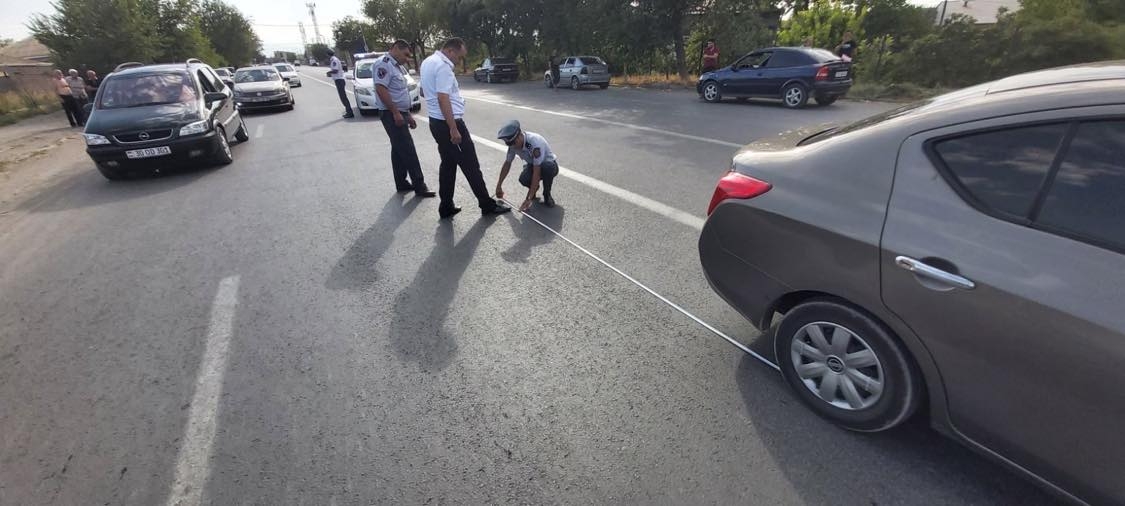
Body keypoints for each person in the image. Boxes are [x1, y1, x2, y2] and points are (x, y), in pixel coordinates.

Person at [420, 37, 511, 219]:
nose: (459, 61)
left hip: (436, 122)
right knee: (471, 165)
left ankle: (446, 206)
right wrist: (453, 128)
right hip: (449, 123)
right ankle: (486, 205)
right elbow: (443, 98)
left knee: (448, 164)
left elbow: (423, 91)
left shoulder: (428, 62)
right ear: (450, 51)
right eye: (459, 57)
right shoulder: (443, 67)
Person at [374, 40, 435, 198]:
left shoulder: (397, 66)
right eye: (405, 54)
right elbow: (381, 89)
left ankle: (401, 182)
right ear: (395, 49)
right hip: (390, 113)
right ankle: (420, 186)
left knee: (398, 149)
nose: (407, 58)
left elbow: (399, 92)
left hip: (399, 112)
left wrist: (407, 114)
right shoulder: (384, 64)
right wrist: (395, 113)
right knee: (408, 150)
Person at [495, 120, 558, 211]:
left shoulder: (532, 144)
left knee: (547, 167)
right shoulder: (513, 145)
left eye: (514, 143)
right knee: (523, 178)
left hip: (548, 165)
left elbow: (537, 172)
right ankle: (534, 189)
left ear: (519, 136)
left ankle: (547, 194)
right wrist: (499, 185)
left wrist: (528, 198)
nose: (513, 147)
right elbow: (507, 163)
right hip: (532, 165)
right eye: (510, 144)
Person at [326, 49, 354, 118]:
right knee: (343, 97)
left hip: (339, 80)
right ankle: (348, 111)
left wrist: (329, 72)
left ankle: (350, 112)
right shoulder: (333, 59)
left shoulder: (334, 60)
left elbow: (335, 70)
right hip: (339, 80)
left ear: (328, 54)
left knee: (343, 97)